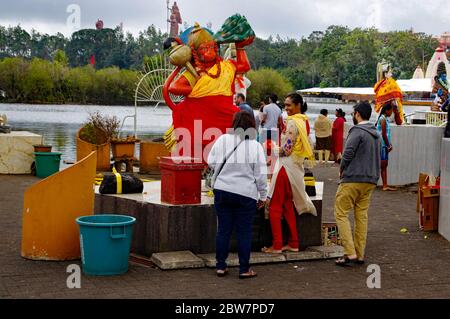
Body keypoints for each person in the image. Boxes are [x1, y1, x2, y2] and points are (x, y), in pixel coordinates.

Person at [207, 111, 267, 279]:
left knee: (223, 230)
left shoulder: (222, 139)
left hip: (222, 190)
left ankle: (220, 266)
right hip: (245, 194)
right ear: (252, 126)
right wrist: (263, 196)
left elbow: (211, 161)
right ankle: (244, 269)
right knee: (244, 232)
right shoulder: (255, 146)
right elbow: (260, 175)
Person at [262, 93, 316, 254]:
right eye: (284, 105)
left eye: (288, 105)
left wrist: (269, 147)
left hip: (286, 167)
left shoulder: (293, 123)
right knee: (287, 206)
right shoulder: (304, 121)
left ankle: (277, 245)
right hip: (295, 167)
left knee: (274, 207)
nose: (286, 108)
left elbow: (286, 150)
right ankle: (293, 243)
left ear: (298, 105)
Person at [334, 101, 381, 266]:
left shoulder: (357, 131)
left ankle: (350, 252)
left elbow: (347, 153)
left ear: (357, 114)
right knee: (361, 217)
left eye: (354, 113)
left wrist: (341, 169)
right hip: (371, 180)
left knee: (341, 213)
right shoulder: (376, 134)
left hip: (353, 179)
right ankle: (359, 254)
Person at [376, 101, 396, 191]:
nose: (391, 113)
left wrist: (389, 144)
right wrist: (388, 145)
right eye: (391, 110)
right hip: (383, 145)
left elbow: (386, 134)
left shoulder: (384, 119)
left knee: (384, 165)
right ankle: (384, 185)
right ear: (387, 110)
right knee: (383, 164)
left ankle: (385, 185)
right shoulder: (383, 119)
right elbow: (384, 134)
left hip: (384, 144)